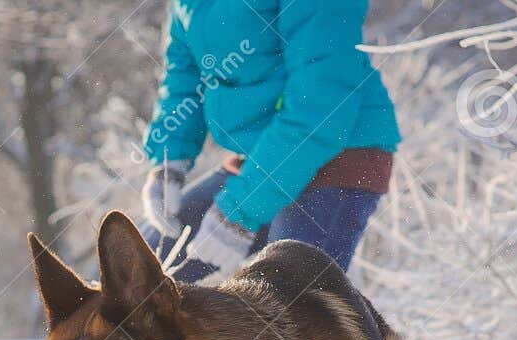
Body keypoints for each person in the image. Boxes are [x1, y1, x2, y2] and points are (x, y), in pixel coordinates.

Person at [140, 0, 399, 282]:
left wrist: (240, 212)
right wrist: (169, 162)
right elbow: (185, 72)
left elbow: (321, 104)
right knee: (139, 275)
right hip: (262, 155)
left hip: (341, 156)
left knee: (283, 306)